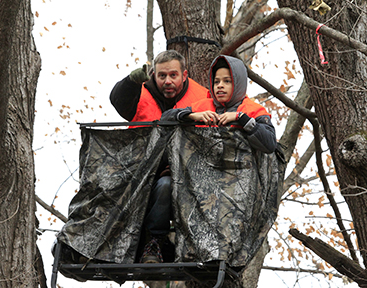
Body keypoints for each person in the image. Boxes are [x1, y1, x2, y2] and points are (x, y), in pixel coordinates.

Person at [109, 50, 209, 263]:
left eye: (173, 75)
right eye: (162, 76)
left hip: (184, 177)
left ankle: (156, 243)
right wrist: (131, 80)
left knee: (165, 185)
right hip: (140, 173)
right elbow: (118, 99)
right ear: (153, 74)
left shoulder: (202, 97)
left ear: (184, 75)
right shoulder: (140, 93)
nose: (168, 81)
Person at [161, 55, 277, 154]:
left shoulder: (253, 110)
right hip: (199, 176)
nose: (220, 85)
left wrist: (241, 118)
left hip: (241, 178)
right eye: (216, 81)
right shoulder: (201, 107)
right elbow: (165, 118)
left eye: (227, 81)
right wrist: (192, 116)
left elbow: (269, 145)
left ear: (238, 83)